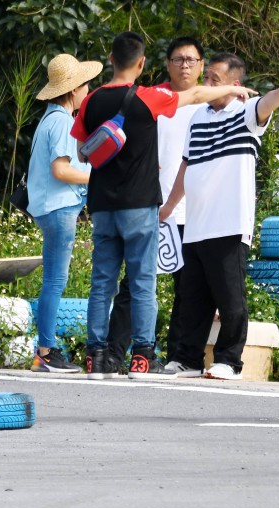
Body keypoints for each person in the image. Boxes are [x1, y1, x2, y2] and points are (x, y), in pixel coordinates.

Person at [72, 31, 254, 380]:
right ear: (141, 64)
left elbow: (83, 150)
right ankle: (142, 357)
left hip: (102, 207)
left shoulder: (91, 100)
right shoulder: (148, 97)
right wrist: (232, 89)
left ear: (111, 60)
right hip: (140, 205)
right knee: (142, 282)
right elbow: (198, 93)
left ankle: (96, 356)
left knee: (102, 283)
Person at [159, 54, 279, 379]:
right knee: (192, 298)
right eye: (208, 79)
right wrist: (170, 206)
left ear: (235, 84)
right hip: (196, 223)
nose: (208, 84)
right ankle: (187, 358)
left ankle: (229, 361)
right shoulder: (197, 116)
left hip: (229, 221)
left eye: (215, 79)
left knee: (230, 296)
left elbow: (267, 104)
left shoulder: (245, 113)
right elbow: (186, 165)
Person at [103, 36, 207, 373]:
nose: (185, 65)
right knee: (133, 286)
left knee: (187, 290)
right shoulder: (152, 99)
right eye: (178, 59)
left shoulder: (209, 105)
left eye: (191, 60)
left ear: (202, 65)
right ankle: (115, 352)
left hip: (193, 211)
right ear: (166, 64)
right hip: (150, 205)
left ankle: (176, 357)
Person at [27, 54, 101, 373]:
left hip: (52, 208)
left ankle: (44, 349)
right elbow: (62, 170)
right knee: (55, 280)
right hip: (59, 209)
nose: (88, 90)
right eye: (85, 85)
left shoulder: (51, 118)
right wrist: (100, 174)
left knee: (54, 279)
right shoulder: (60, 122)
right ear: (73, 90)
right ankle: (46, 350)